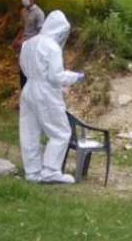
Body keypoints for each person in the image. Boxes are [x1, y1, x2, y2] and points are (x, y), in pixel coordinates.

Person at [18, 10, 85, 183]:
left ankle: (32, 172)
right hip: (45, 91)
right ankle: (50, 171)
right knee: (60, 132)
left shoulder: (29, 43)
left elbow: (23, 67)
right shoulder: (52, 47)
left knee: (30, 132)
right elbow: (55, 76)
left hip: (28, 88)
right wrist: (74, 76)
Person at [13, 0, 46, 91]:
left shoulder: (39, 13)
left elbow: (41, 34)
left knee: (30, 72)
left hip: (33, 47)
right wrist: (17, 39)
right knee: (22, 70)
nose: (24, 0)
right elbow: (23, 28)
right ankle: (23, 94)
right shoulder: (23, 11)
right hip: (23, 46)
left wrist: (27, 41)